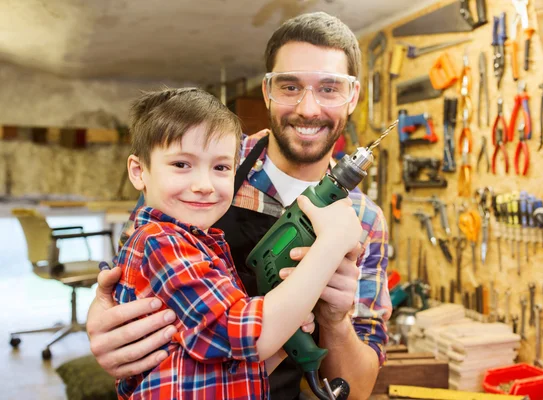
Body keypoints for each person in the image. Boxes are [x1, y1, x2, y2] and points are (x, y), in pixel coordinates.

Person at [87, 12, 391, 399]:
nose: (309, 108)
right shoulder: (205, 163)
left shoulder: (363, 219)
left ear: (353, 97)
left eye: (329, 88)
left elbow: (357, 389)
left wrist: (334, 320)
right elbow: (130, 274)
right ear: (267, 92)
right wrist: (100, 321)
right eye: (290, 86)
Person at [112, 87, 363, 399]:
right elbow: (251, 336)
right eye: (181, 165)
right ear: (139, 172)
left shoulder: (205, 245)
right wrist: (331, 244)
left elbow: (227, 363)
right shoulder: (161, 244)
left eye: (220, 168)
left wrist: (285, 339)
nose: (204, 185)